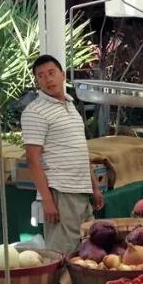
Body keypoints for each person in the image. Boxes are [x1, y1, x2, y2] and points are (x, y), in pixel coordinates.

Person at [21, 55, 105, 255]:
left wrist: (94, 186)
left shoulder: (70, 106)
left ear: (63, 75)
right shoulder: (35, 112)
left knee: (85, 249)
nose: (47, 79)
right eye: (41, 76)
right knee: (62, 253)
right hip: (60, 190)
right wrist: (48, 200)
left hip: (80, 190)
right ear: (37, 82)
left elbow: (80, 150)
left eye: (51, 73)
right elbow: (32, 159)